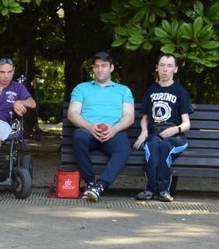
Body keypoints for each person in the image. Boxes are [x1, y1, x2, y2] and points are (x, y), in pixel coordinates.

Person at [67, 51, 135, 202]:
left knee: (124, 146)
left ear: (111, 68)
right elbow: (72, 113)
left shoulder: (123, 90)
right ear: (93, 68)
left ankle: (100, 186)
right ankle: (90, 183)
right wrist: (90, 127)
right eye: (96, 66)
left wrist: (115, 129)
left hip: (113, 132)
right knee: (79, 136)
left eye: (104, 66)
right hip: (88, 132)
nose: (100, 69)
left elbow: (129, 116)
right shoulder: (82, 88)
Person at [133, 54, 194, 202]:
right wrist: (144, 131)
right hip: (155, 134)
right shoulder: (151, 90)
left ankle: (162, 190)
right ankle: (150, 190)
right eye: (162, 65)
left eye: (169, 66)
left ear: (175, 69)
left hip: (175, 136)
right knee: (153, 146)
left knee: (165, 146)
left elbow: (187, 123)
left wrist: (176, 129)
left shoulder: (180, 91)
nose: (165, 69)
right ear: (157, 68)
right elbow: (145, 118)